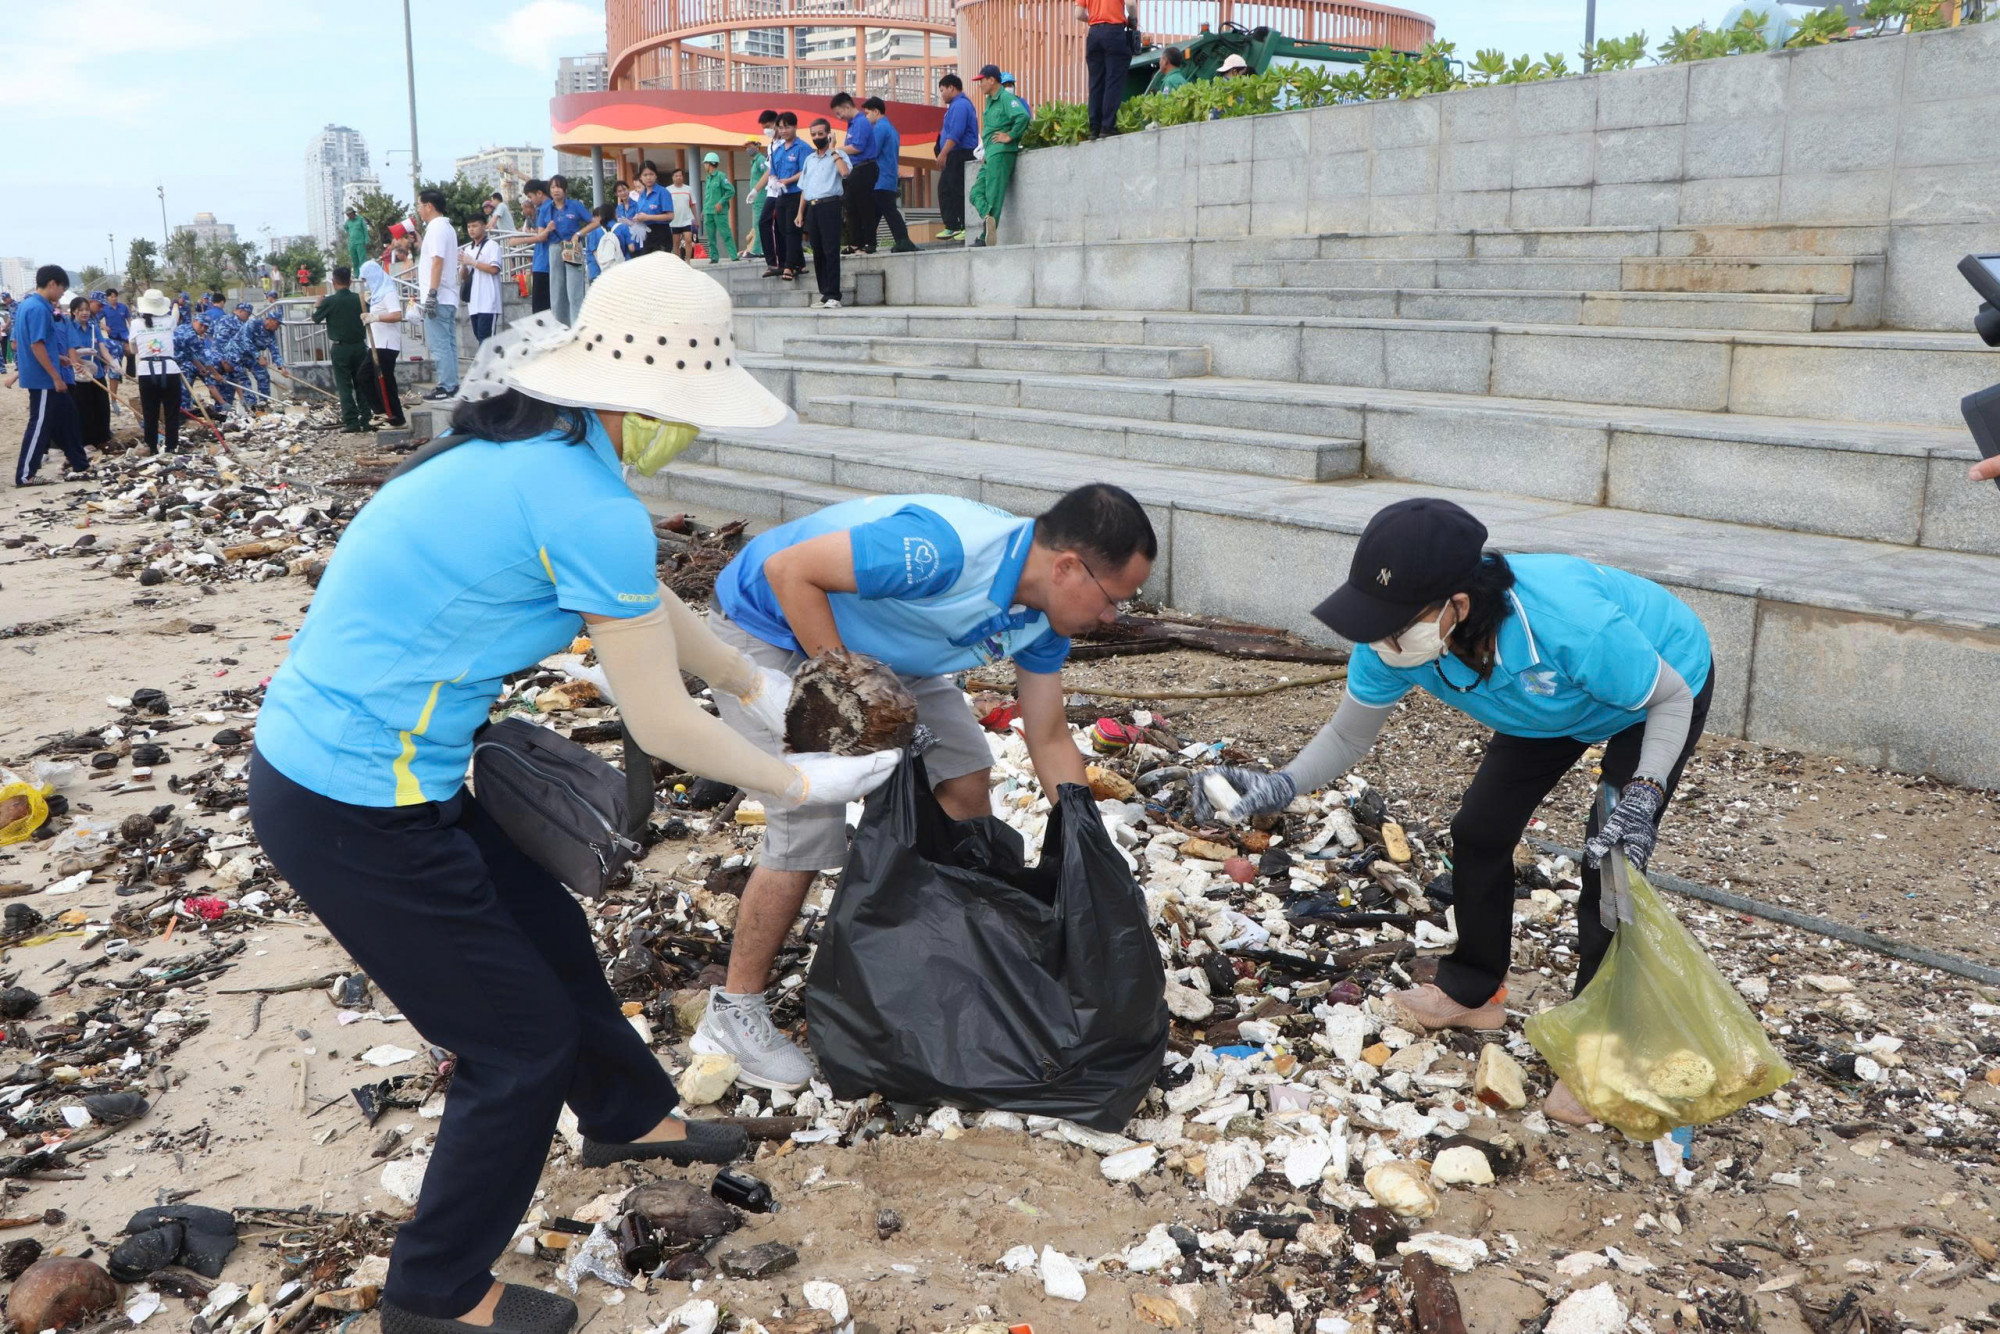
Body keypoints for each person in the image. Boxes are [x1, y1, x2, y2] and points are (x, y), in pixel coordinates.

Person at [247, 255, 897, 1334]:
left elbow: (635, 598)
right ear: (634, 400)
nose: (686, 432)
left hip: (374, 774)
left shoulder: (534, 454)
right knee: (515, 1044)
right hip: (350, 806)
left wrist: (755, 680)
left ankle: (628, 1114)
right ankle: (434, 1290)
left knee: (546, 932)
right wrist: (800, 775)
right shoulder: (581, 494)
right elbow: (656, 721)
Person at [1193, 497, 1715, 1127]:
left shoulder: (1568, 624)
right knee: (1478, 832)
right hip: (1544, 708)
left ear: (1458, 607)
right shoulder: (1391, 643)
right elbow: (1347, 739)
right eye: (1372, 624)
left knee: (1609, 865)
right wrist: (1278, 784)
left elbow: (1669, 696)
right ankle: (1475, 988)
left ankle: (1602, 1053)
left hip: (1654, 692)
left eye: (1394, 627)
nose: (1380, 642)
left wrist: (1643, 794)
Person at [695, 482, 1158, 1089]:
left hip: (881, 651)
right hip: (768, 630)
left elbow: (1047, 737)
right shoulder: (943, 550)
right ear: (1069, 568)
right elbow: (790, 571)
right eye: (1113, 598)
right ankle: (734, 1011)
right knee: (807, 816)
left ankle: (942, 943)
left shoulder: (1044, 619)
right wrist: (848, 693)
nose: (1113, 616)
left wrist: (1091, 846)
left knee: (964, 770)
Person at [969, 65, 1030, 247]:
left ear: (992, 80)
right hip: (990, 154)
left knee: (994, 194)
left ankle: (985, 237)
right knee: (975, 193)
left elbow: (1023, 117)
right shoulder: (990, 100)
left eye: (981, 80)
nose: (979, 84)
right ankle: (987, 216)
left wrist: (1010, 136)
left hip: (1001, 153)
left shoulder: (1006, 98)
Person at [796, 118, 852, 309]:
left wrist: (834, 149)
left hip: (830, 205)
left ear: (828, 134)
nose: (817, 137)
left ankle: (834, 295)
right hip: (812, 207)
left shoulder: (838, 155)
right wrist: (800, 213)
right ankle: (825, 293)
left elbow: (845, 173)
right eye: (813, 134)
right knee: (817, 251)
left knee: (830, 249)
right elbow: (805, 187)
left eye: (821, 134)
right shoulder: (809, 159)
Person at [311, 267, 371, 433]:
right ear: (350, 281)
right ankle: (366, 420)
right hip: (360, 346)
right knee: (362, 384)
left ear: (333, 282)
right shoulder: (359, 299)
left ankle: (351, 422)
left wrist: (317, 305)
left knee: (345, 386)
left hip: (340, 348)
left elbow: (316, 319)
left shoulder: (330, 301)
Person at [416, 189, 462, 401]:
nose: (418, 210)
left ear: (429, 206)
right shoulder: (447, 228)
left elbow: (437, 261)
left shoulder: (436, 228)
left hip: (439, 295)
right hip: (448, 295)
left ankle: (446, 385)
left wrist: (432, 294)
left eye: (419, 205)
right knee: (449, 342)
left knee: (440, 343)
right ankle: (452, 384)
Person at [860, 98, 918, 253]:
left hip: (880, 178)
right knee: (875, 213)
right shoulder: (891, 129)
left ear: (876, 112)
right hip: (889, 177)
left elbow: (872, 152)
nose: (865, 117)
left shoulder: (879, 128)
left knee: (889, 210)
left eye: (867, 113)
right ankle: (870, 244)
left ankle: (903, 241)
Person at [129, 289, 183, 455]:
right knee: (172, 412)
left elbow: (133, 349)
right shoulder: (169, 321)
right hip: (170, 370)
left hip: (146, 371)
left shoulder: (136, 324)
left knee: (149, 412)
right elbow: (176, 314)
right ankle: (171, 446)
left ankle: (151, 446)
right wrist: (175, 304)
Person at [356, 260, 406, 429]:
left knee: (384, 381)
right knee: (367, 377)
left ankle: (396, 418)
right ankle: (383, 412)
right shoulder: (378, 294)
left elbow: (397, 315)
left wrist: (376, 317)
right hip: (376, 344)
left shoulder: (388, 293)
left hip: (386, 345)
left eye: (366, 279)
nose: (366, 284)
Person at [829, 92, 878, 254]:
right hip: (854, 170)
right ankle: (855, 242)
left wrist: (834, 149)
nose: (839, 116)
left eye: (839, 112)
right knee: (851, 207)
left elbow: (857, 147)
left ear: (847, 106)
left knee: (865, 207)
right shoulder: (852, 124)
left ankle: (869, 242)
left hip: (865, 168)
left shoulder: (861, 122)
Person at [65, 297, 114, 449]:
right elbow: (67, 351)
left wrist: (112, 363)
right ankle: (86, 441)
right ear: (74, 312)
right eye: (81, 310)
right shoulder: (69, 328)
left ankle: (103, 437)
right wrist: (79, 353)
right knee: (84, 408)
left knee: (102, 406)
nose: (85, 313)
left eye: (86, 309)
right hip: (80, 374)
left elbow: (102, 348)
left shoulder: (94, 328)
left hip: (97, 372)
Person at [934, 73, 977, 242]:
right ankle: (952, 225)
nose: (942, 94)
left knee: (958, 189)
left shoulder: (960, 105)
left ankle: (965, 225)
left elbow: (956, 133)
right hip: (954, 154)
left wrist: (943, 153)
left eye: (942, 90)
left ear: (952, 87)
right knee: (945, 188)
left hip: (961, 153)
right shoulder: (953, 106)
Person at [767, 112, 809, 282]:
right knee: (782, 230)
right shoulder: (778, 149)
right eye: (781, 127)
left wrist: (788, 180)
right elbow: (773, 171)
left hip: (796, 194)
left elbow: (805, 172)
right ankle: (799, 262)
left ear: (795, 127)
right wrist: (774, 181)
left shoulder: (802, 148)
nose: (784, 131)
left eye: (787, 127)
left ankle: (789, 266)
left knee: (792, 231)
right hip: (781, 195)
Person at [507, 179, 553, 316]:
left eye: (530, 197)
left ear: (540, 193)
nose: (530, 201)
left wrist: (518, 240)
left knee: (541, 310)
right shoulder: (543, 208)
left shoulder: (548, 208)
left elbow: (542, 236)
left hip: (546, 264)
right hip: (540, 262)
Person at [230, 306, 285, 412]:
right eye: (277, 324)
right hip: (236, 354)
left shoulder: (271, 335)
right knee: (244, 381)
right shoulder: (253, 324)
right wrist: (258, 357)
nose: (278, 327)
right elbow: (246, 342)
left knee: (263, 375)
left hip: (250, 356)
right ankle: (250, 407)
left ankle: (264, 405)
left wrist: (281, 366)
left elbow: (274, 350)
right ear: (271, 320)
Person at [462, 215, 504, 347]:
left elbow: (494, 269)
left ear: (484, 226)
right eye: (469, 227)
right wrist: (463, 264)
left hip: (488, 302)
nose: (471, 229)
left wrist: (473, 262)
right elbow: (464, 277)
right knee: (480, 337)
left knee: (486, 341)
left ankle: (489, 367)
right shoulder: (468, 249)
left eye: (474, 226)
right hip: (474, 303)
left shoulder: (492, 245)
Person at [747, 115, 777, 262]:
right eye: (747, 146)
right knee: (757, 223)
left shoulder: (759, 160)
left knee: (760, 223)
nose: (748, 148)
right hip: (756, 197)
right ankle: (758, 249)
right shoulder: (754, 161)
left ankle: (758, 250)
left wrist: (757, 191)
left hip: (762, 197)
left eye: (751, 145)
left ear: (757, 146)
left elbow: (768, 172)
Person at [628, 161, 673, 256]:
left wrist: (648, 217)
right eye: (645, 175)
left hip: (661, 233)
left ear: (656, 175)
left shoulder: (663, 192)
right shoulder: (642, 195)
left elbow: (670, 216)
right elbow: (640, 213)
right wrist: (636, 218)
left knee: (660, 266)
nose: (648, 177)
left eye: (651, 174)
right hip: (646, 234)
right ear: (640, 177)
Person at [700, 153, 737, 264]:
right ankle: (714, 257)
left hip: (719, 212)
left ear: (710, 163)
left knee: (726, 234)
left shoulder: (721, 176)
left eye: (705, 163)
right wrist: (704, 209)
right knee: (710, 237)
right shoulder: (708, 178)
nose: (704, 166)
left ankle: (734, 256)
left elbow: (731, 190)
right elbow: (708, 195)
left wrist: (721, 202)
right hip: (708, 212)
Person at [585, 203, 637, 281]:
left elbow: (595, 254)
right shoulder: (623, 227)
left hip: (598, 273)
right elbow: (631, 248)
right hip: (621, 271)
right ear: (615, 214)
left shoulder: (594, 233)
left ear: (601, 216)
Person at [666, 167, 697, 263]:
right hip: (674, 221)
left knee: (688, 240)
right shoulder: (668, 190)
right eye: (676, 176)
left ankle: (688, 260)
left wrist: (695, 218)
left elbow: (692, 204)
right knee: (676, 243)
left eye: (680, 175)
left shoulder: (688, 189)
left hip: (687, 219)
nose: (678, 177)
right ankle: (679, 262)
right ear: (673, 178)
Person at [101, 286, 132, 377]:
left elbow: (129, 319)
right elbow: (96, 319)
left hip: (125, 334)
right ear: (107, 298)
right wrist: (104, 326)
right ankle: (118, 374)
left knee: (130, 352)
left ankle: (131, 373)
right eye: (111, 296)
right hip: (113, 335)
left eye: (115, 296)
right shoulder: (104, 308)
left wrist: (133, 329)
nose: (114, 298)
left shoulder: (123, 307)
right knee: (118, 354)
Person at [346, 207, 370, 275]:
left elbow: (365, 230)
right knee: (354, 260)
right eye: (347, 214)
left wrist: (366, 240)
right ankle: (357, 275)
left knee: (362, 259)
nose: (348, 216)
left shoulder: (360, 219)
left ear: (353, 213)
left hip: (360, 242)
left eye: (349, 214)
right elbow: (346, 229)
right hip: (352, 243)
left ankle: (364, 274)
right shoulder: (347, 222)